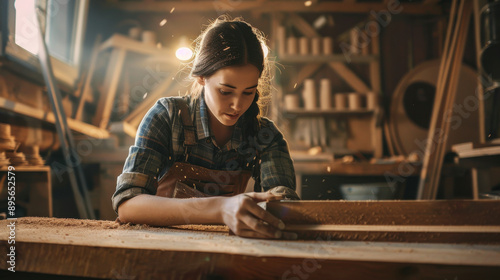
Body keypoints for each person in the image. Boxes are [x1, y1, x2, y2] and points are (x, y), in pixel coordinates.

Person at [112, 17, 298, 239]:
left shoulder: (264, 136)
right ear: (201, 77)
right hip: (160, 247)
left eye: (248, 92)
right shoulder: (167, 117)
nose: (237, 105)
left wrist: (274, 209)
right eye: (225, 91)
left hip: (223, 250)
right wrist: (220, 209)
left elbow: (284, 205)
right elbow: (127, 204)